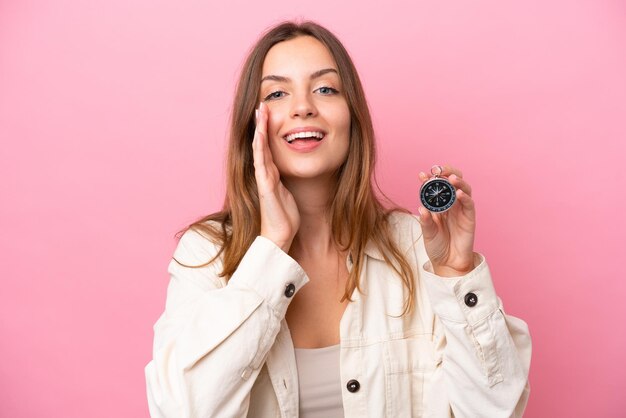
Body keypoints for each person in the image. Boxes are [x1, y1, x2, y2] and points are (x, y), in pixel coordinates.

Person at [144, 20, 531, 418]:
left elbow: (496, 410)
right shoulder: (207, 253)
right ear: (252, 125)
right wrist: (272, 245)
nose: (302, 106)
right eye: (277, 93)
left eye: (325, 88)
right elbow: (179, 410)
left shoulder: (416, 247)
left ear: (352, 116)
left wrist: (455, 273)